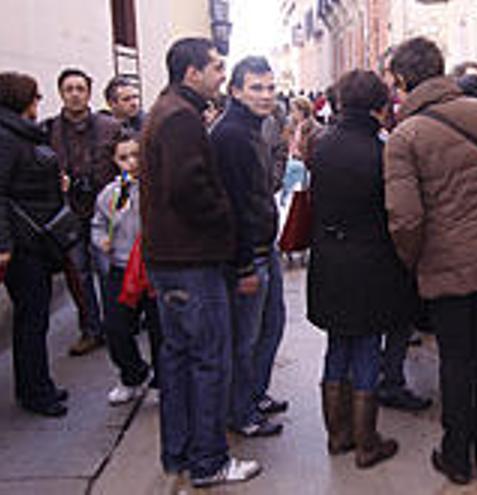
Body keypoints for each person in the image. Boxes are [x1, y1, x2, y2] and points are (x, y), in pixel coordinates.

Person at [384, 37, 477, 485]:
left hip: (447, 262)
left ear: (404, 81)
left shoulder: (404, 136)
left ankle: (457, 458)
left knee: (455, 359)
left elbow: (404, 217)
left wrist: (414, 261)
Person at [141, 37, 260, 487]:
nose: (220, 76)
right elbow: (188, 189)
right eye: (215, 68)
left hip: (172, 258)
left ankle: (181, 454)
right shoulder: (180, 118)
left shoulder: (169, 110)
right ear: (192, 73)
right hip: (190, 260)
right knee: (208, 361)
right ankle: (208, 461)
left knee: (178, 360)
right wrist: (226, 218)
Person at [307, 69, 417, 468]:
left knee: (338, 344)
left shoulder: (321, 145)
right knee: (368, 345)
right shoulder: (381, 151)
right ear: (378, 105)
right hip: (370, 260)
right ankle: (367, 442)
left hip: (330, 259)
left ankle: (338, 435)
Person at [212, 56, 286, 438]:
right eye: (256, 87)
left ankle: (254, 394)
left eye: (270, 87)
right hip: (247, 254)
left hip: (263, 246)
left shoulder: (256, 127)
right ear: (236, 91)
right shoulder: (231, 135)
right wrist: (243, 266)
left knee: (271, 326)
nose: (266, 95)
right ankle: (240, 413)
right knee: (245, 338)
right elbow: (233, 206)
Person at [0, 71, 69, 417]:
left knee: (33, 318)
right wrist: (4, 246)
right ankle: (36, 392)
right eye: (36, 96)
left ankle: (37, 384)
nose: (39, 102)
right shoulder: (8, 138)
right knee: (31, 320)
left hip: (33, 239)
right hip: (24, 244)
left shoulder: (20, 134)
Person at [46, 68, 121, 356]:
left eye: (80, 88)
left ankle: (117, 326)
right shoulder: (49, 130)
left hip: (104, 212)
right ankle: (91, 329)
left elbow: (126, 165)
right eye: (69, 89)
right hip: (70, 213)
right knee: (78, 275)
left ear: (89, 92)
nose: (75, 94)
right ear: (61, 93)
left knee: (107, 271)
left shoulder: (109, 127)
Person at [91, 128, 160, 405]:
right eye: (124, 157)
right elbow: (97, 223)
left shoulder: (158, 187)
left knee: (160, 329)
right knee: (116, 327)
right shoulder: (112, 192)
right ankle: (132, 375)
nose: (131, 162)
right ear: (115, 161)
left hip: (154, 268)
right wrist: (101, 240)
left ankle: (162, 380)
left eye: (136, 155)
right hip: (120, 267)